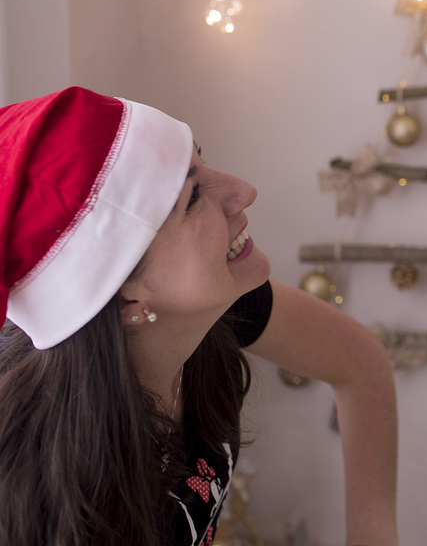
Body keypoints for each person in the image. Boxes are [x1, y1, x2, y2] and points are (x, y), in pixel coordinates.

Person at [0, 87, 400, 546]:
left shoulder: (219, 307)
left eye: (201, 161)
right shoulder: (57, 503)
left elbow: (358, 362)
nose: (243, 191)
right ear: (126, 301)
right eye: (192, 197)